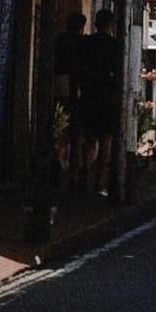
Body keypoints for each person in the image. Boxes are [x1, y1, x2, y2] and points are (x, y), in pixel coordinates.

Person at [78, 9, 119, 194]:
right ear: (110, 25)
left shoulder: (87, 43)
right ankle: (99, 181)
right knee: (105, 140)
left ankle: (84, 173)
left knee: (89, 138)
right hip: (107, 96)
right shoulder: (114, 45)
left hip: (88, 94)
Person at [53, 12, 87, 188]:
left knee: (59, 133)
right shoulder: (83, 43)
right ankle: (73, 176)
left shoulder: (58, 41)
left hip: (58, 87)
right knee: (76, 137)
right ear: (82, 27)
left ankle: (57, 169)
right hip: (76, 90)